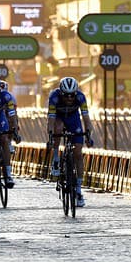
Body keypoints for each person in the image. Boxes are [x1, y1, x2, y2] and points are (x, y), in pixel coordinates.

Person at [47, 76, 94, 208]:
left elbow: (86, 118)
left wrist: (88, 135)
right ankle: (56, 159)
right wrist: (51, 136)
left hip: (74, 119)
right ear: (61, 93)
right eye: (66, 96)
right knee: (58, 129)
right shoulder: (54, 97)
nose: (69, 99)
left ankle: (78, 190)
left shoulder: (81, 97)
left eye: (72, 96)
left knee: (78, 153)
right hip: (59, 118)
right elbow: (50, 120)